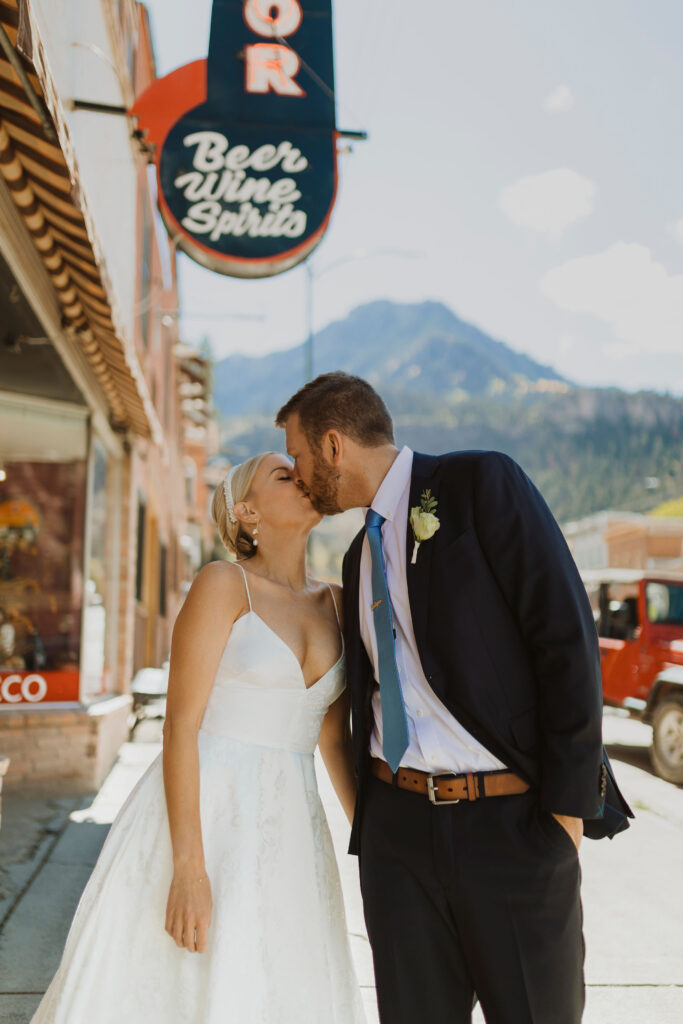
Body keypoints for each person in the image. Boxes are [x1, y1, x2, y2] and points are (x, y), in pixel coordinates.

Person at [276, 372, 633, 1024]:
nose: (296, 476)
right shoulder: (358, 558)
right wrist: (376, 827)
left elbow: (565, 639)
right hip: (398, 843)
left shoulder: (480, 486)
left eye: (296, 457)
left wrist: (564, 818)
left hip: (513, 831)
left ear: (332, 445)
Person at [31, 452, 366, 1024]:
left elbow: (333, 742)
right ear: (246, 512)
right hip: (209, 814)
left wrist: (375, 840)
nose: (302, 477)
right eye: (283, 476)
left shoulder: (337, 600)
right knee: (188, 982)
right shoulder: (223, 583)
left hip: (292, 826)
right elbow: (180, 726)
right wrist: (189, 868)